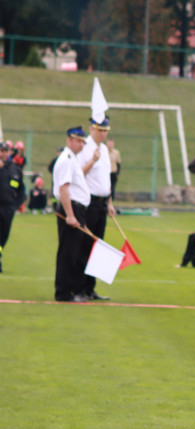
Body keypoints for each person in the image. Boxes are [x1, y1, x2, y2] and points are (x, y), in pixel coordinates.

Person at [78, 117, 116, 300]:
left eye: (105, 130)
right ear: (92, 129)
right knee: (86, 245)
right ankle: (80, 287)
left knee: (97, 246)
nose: (103, 133)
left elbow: (106, 179)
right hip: (90, 202)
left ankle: (90, 288)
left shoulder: (105, 149)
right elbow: (79, 173)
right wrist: (92, 160)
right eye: (100, 130)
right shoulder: (85, 147)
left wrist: (109, 202)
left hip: (102, 202)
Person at [52, 127, 92, 302]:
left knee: (74, 251)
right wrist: (70, 215)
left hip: (77, 209)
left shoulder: (72, 159)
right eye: (78, 140)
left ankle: (70, 290)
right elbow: (64, 188)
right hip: (72, 209)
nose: (81, 144)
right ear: (69, 141)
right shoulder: (67, 159)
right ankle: (63, 292)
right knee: (69, 252)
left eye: (83, 141)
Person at [0, 141, 26, 274]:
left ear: (9, 152)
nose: (3, 153)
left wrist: (17, 205)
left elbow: (21, 189)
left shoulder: (15, 169)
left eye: (5, 151)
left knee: (4, 236)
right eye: (1, 151)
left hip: (8, 208)